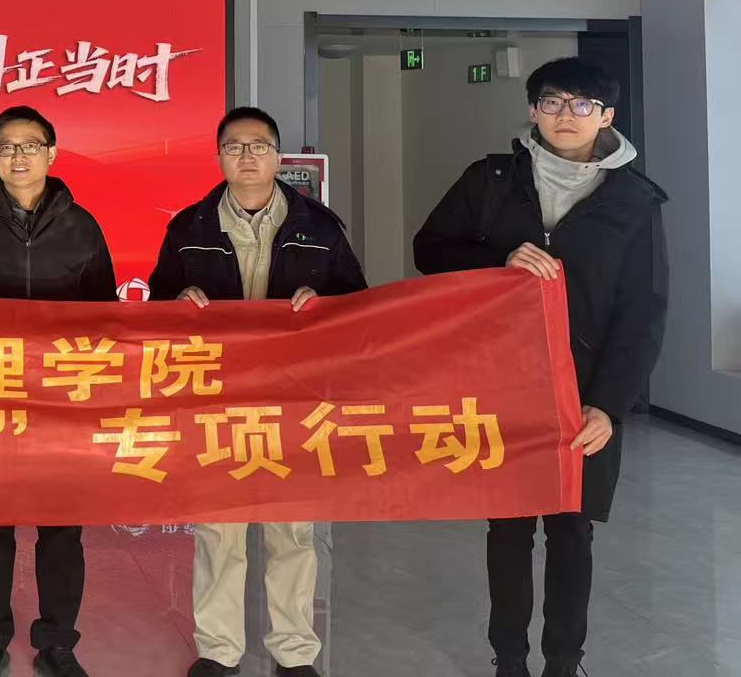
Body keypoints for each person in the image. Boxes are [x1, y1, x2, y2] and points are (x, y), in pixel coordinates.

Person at [413, 57, 667, 677]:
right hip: (502, 384)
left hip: (584, 394)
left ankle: (562, 662)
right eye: (552, 102)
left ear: (606, 116)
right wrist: (500, 258)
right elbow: (429, 250)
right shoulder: (492, 180)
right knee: (508, 528)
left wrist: (609, 406)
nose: (565, 115)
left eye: (583, 105)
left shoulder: (634, 200)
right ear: (533, 110)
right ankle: (509, 660)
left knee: (572, 531)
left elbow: (644, 310)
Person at [146, 107, 366, 677]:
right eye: (234, 146)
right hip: (217, 398)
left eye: (259, 146)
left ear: (277, 156)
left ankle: (294, 654)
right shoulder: (189, 228)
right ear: (219, 156)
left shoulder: (321, 228)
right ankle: (218, 652)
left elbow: (358, 305)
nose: (247, 156)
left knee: (292, 531)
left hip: (295, 399)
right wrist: (178, 303)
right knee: (219, 531)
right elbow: (157, 306)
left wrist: (326, 307)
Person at [0, 106, 116, 677]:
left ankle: (58, 643)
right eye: (6, 147)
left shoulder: (82, 226)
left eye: (30, 145)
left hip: (62, 400)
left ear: (52, 154)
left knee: (62, 529)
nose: (19, 156)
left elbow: (105, 315)